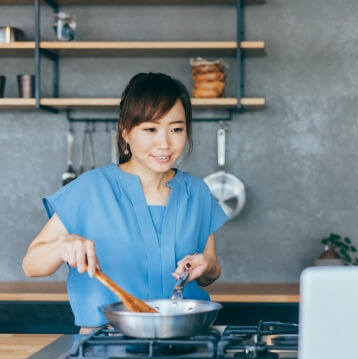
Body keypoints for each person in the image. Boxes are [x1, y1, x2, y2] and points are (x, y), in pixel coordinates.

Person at [22, 72, 228, 330]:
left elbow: (211, 272)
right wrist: (63, 245)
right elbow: (31, 265)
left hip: (188, 337)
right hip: (104, 345)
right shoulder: (91, 188)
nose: (164, 143)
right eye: (150, 129)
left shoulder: (197, 192)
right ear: (125, 133)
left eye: (176, 129)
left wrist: (206, 265)